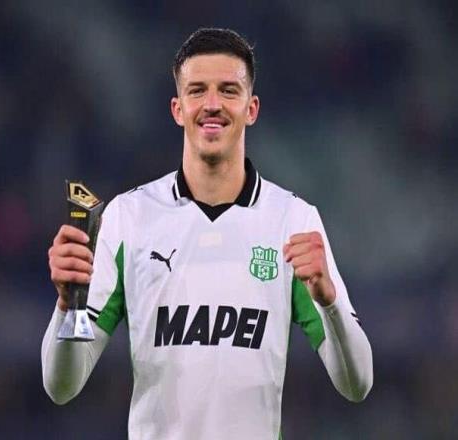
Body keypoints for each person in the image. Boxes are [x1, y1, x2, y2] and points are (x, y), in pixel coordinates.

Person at [42, 27, 373, 439]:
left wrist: (329, 301)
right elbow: (61, 386)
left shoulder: (293, 221)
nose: (212, 104)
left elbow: (358, 384)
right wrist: (68, 304)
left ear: (251, 108)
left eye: (228, 91)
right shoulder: (129, 218)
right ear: (178, 109)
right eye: (197, 91)